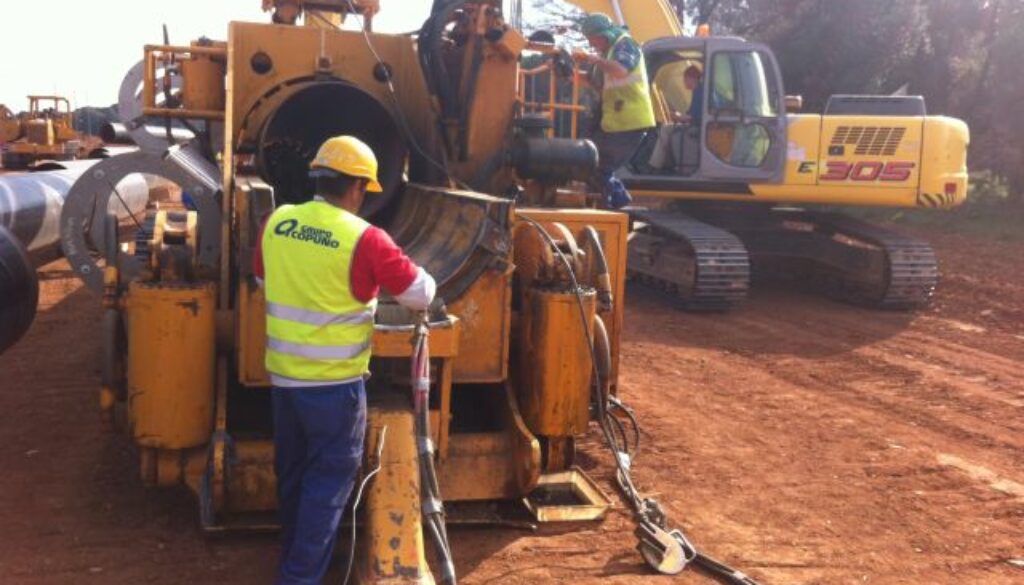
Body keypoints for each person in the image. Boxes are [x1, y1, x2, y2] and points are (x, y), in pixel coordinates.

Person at [253, 135, 436, 585]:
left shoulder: (277, 222)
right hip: (334, 389)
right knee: (328, 486)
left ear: (318, 177)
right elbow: (419, 294)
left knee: (294, 475)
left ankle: (292, 559)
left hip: (284, 382)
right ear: (356, 187)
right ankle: (299, 578)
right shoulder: (365, 238)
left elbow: (262, 279)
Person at [574, 12, 656, 208]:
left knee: (597, 165)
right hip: (616, 121)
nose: (592, 44)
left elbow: (620, 70)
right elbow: (597, 83)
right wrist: (570, 73)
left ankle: (615, 205)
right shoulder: (608, 53)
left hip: (631, 121)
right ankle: (617, 202)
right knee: (589, 163)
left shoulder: (625, 44)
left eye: (592, 40)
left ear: (602, 35)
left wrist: (591, 59)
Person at [648, 64, 704, 172]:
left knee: (665, 129)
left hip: (696, 127)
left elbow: (693, 118)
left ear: (692, 78)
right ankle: (665, 163)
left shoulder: (700, 92)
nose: (684, 82)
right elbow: (691, 114)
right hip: (694, 124)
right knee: (667, 128)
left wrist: (677, 117)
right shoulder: (698, 90)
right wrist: (677, 115)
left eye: (685, 79)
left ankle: (654, 166)